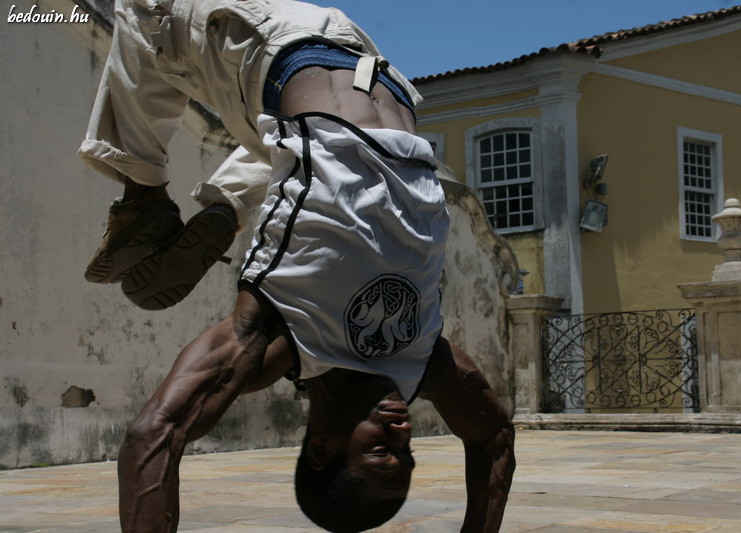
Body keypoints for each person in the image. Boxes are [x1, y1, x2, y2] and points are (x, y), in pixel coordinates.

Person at [81, 0, 515, 531]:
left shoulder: (275, 341)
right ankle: (205, 204)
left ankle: (156, 196)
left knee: (140, 9)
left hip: (311, 66)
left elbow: (154, 434)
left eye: (382, 454)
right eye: (408, 456)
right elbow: (493, 437)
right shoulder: (421, 359)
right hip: (341, 65)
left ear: (321, 449)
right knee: (291, 151)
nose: (402, 435)